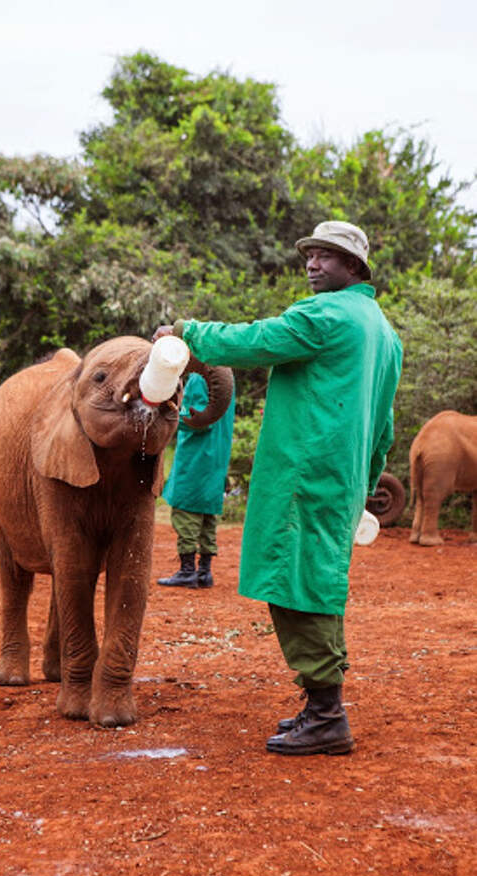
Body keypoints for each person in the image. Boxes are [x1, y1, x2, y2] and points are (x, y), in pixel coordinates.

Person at [154, 221, 403, 756]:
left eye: (326, 256)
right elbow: (383, 426)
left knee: (298, 584)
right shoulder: (384, 332)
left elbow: (255, 340)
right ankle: (320, 705)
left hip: (304, 475)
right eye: (310, 254)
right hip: (338, 477)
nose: (313, 263)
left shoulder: (326, 314)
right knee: (316, 580)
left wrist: (187, 332)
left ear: (354, 267)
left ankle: (327, 713)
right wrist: (362, 483)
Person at [157, 372, 235, 588]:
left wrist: (169, 414)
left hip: (196, 456)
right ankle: (204, 572)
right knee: (207, 513)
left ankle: (187, 570)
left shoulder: (199, 379)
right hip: (216, 454)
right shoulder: (225, 379)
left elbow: (199, 420)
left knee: (186, 509)